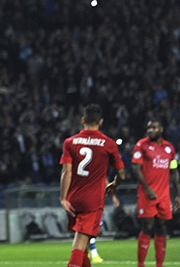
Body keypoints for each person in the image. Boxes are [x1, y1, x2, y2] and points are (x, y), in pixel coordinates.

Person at [59, 104, 125, 267]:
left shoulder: (70, 142)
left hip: (73, 199)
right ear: (101, 122)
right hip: (92, 202)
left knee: (85, 245)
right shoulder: (108, 144)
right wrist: (115, 185)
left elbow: (66, 172)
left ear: (82, 120)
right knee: (79, 245)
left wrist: (63, 198)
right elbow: (121, 174)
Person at [132, 119, 180, 267]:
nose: (150, 130)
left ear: (161, 129)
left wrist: (177, 194)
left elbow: (174, 171)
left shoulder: (169, 148)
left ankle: (159, 264)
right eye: (149, 128)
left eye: (153, 127)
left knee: (162, 226)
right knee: (147, 225)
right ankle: (141, 264)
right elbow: (136, 169)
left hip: (164, 195)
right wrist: (147, 188)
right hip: (147, 193)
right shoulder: (141, 145)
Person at [87, 194, 120, 263]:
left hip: (97, 204)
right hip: (88, 203)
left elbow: (106, 183)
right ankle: (92, 254)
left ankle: (87, 253)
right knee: (88, 230)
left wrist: (113, 196)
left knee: (96, 231)